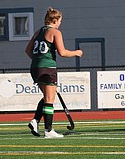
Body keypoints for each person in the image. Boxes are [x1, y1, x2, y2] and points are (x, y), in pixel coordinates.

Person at [25, 7, 83, 138]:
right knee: (50, 99)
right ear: (55, 20)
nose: (60, 24)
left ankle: (35, 121)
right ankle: (48, 130)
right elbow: (62, 52)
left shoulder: (38, 32)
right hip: (48, 67)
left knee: (46, 96)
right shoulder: (55, 32)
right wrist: (76, 53)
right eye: (60, 21)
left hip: (35, 68)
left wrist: (39, 59)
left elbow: (28, 50)